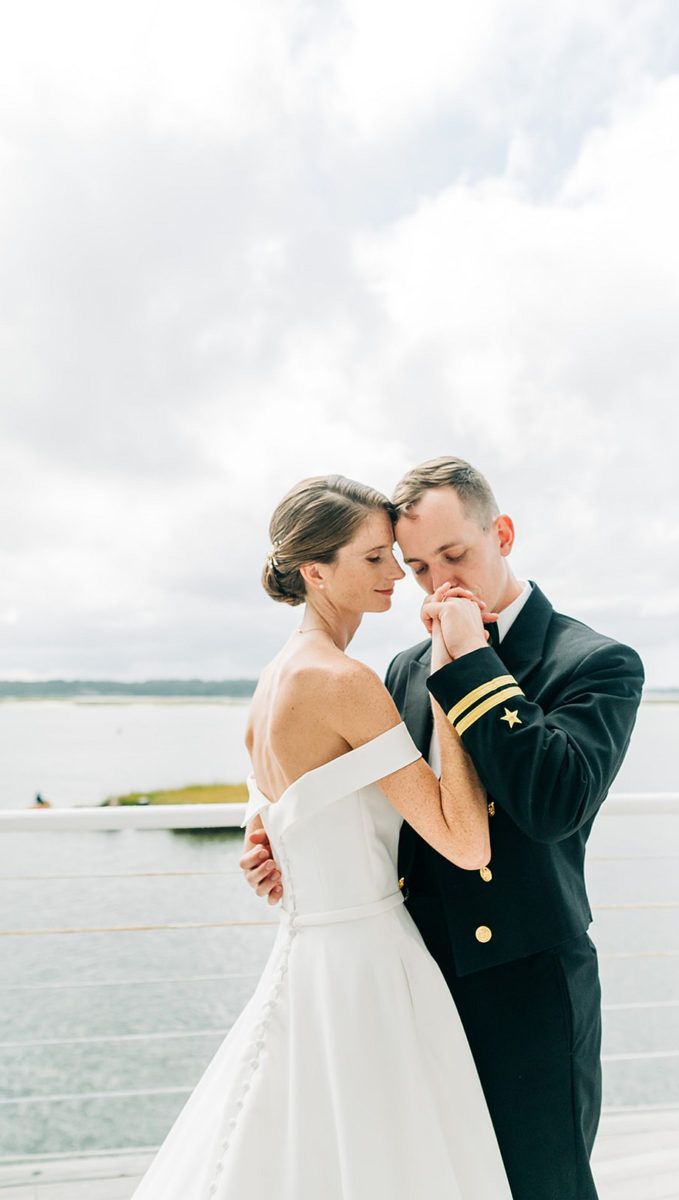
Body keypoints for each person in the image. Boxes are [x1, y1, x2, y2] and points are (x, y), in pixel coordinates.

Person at [244, 457, 645, 1199]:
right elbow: (373, 795)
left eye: (453, 556)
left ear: (502, 532)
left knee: (540, 1183)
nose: (433, 584)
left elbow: (552, 802)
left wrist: (473, 660)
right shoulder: (398, 669)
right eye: (415, 565)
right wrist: (281, 836)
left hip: (523, 983)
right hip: (409, 976)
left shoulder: (593, 663)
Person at [132, 474, 512, 1200]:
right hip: (368, 965)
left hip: (308, 955)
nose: (396, 575)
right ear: (315, 571)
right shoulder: (342, 679)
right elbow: (466, 844)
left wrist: (263, 848)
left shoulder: (274, 679)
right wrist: (456, 679)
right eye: (373, 560)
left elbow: (275, 813)